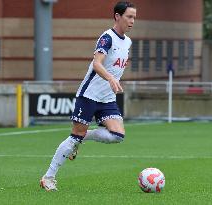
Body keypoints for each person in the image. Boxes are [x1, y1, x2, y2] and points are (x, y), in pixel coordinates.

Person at [40, 1, 137, 191]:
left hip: (107, 98)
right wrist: (110, 78)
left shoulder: (128, 42)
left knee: (118, 135)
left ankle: (83, 138)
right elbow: (97, 64)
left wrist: (113, 79)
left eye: (134, 17)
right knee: (75, 135)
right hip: (89, 96)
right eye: (129, 16)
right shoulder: (106, 38)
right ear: (117, 16)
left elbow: (115, 65)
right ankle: (48, 177)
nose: (133, 21)